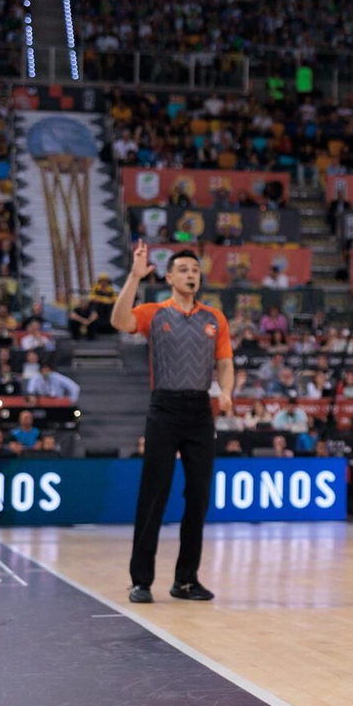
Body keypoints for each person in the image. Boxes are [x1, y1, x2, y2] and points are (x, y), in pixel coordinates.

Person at [112, 243, 234, 603]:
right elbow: (120, 320)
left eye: (194, 270)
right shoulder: (155, 313)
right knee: (154, 495)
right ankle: (141, 581)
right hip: (164, 408)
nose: (190, 274)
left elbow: (225, 363)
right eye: (182, 269)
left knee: (198, 497)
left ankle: (185, 580)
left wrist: (225, 391)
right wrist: (134, 276)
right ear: (169, 277)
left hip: (199, 410)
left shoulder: (215, 318)